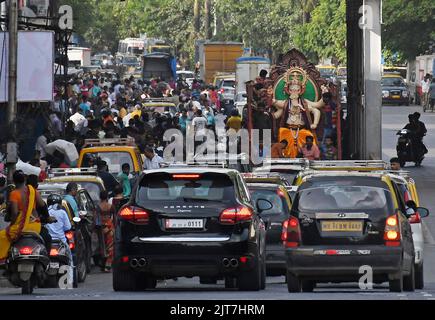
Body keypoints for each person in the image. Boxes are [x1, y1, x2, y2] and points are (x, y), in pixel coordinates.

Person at [0, 171, 54, 264]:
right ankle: (47, 262)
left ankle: (5, 262)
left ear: (14, 181)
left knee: (2, 236)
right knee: (47, 238)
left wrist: (12, 224)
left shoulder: (14, 194)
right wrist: (48, 218)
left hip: (20, 228)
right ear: (24, 180)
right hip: (35, 226)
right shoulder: (32, 190)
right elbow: (42, 205)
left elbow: (15, 213)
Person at [45, 194, 73, 284]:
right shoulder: (62, 212)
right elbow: (68, 227)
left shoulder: (45, 212)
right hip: (61, 242)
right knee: (70, 259)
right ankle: (70, 280)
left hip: (47, 241)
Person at [98, 191, 115, 272]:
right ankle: (108, 265)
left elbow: (95, 219)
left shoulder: (98, 207)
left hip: (101, 228)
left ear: (100, 197)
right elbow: (115, 218)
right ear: (107, 197)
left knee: (102, 246)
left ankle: (102, 264)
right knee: (110, 246)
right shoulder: (111, 206)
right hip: (109, 227)